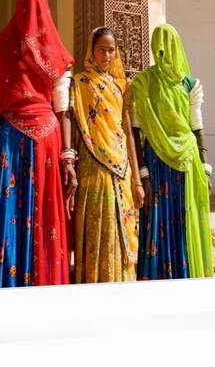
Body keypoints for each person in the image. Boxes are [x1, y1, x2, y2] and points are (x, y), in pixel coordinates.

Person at [0, 0, 76, 288]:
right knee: (8, 216)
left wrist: (69, 157)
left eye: (35, 10)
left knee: (42, 218)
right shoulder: (0, 54)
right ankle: (6, 284)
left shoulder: (55, 58)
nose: (31, 17)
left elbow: (63, 108)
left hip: (39, 147)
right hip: (14, 146)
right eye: (27, 9)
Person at [131, 23, 214, 280]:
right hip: (155, 161)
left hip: (187, 164)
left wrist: (206, 167)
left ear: (176, 47)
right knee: (158, 217)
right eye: (159, 47)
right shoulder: (143, 82)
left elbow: (197, 126)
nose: (163, 52)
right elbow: (135, 129)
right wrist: (142, 170)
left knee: (183, 218)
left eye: (167, 46)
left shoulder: (190, 84)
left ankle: (184, 274)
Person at [70, 27, 144, 283]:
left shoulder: (121, 87)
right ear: (91, 50)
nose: (107, 55)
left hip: (122, 166)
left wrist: (136, 178)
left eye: (111, 50)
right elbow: (76, 126)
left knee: (120, 223)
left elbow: (127, 131)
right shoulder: (80, 83)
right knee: (98, 222)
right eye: (101, 49)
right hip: (93, 164)